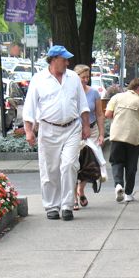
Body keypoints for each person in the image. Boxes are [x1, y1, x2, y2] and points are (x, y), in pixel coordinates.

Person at [23, 45, 90, 221]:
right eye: (64, 59)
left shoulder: (73, 78)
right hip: (48, 129)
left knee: (69, 165)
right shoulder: (39, 79)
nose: (67, 63)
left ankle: (67, 205)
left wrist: (85, 126)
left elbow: (82, 104)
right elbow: (29, 107)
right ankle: (52, 206)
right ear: (53, 60)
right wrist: (29, 131)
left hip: (71, 128)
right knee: (50, 169)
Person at [105, 78, 139, 202]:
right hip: (133, 137)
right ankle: (128, 194)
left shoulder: (116, 98)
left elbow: (108, 114)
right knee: (131, 166)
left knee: (116, 162)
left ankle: (118, 184)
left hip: (117, 136)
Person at [73, 64, 105, 210]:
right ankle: (73, 197)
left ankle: (81, 189)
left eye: (87, 77)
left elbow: (99, 114)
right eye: (83, 77)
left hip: (91, 131)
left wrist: (101, 134)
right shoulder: (71, 93)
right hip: (74, 132)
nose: (86, 80)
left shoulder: (93, 93)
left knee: (89, 163)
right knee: (73, 164)